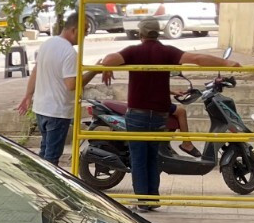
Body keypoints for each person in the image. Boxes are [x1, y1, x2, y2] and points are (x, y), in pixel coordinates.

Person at [99, 17, 236, 205]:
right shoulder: (167, 51)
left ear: (141, 34)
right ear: (158, 32)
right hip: (159, 116)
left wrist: (107, 66)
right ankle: (153, 198)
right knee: (153, 157)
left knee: (139, 158)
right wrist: (226, 63)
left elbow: (109, 59)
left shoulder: (133, 51)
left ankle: (143, 201)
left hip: (137, 115)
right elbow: (196, 59)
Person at [16, 12, 80, 165]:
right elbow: (71, 84)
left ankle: (39, 183)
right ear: (74, 30)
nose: (84, 36)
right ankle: (46, 187)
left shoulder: (47, 44)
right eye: (83, 31)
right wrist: (94, 71)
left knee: (44, 153)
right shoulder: (69, 52)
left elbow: (36, 71)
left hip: (42, 108)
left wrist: (28, 95)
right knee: (51, 158)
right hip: (57, 111)